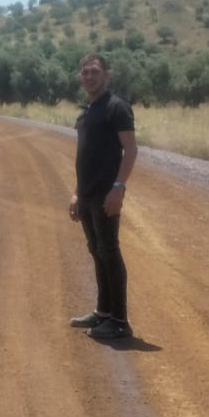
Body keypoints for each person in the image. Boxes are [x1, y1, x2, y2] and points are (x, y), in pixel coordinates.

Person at [68, 53, 138, 342]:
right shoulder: (87, 111)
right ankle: (104, 312)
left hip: (106, 194)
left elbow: (130, 150)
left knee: (110, 252)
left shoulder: (116, 108)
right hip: (87, 195)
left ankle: (120, 322)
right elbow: (84, 157)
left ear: (106, 75)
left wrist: (118, 188)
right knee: (98, 252)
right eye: (85, 72)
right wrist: (76, 192)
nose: (90, 76)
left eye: (95, 71)